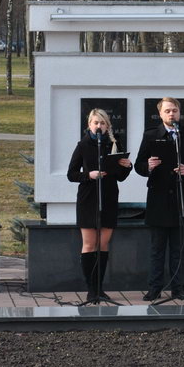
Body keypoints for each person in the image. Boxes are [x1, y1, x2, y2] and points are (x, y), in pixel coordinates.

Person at [134, 97, 184, 302]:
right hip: (158, 197)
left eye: (174, 110)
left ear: (179, 113)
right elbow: (139, 165)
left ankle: (178, 288)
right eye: (167, 111)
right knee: (157, 248)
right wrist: (148, 166)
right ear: (160, 114)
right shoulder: (151, 135)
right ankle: (154, 288)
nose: (171, 114)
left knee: (178, 248)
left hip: (181, 196)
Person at [66, 108, 132, 303]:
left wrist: (127, 166)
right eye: (96, 122)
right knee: (89, 244)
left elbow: (120, 176)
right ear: (89, 125)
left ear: (107, 126)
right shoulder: (83, 145)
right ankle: (91, 290)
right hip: (88, 198)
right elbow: (71, 174)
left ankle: (100, 288)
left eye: (102, 123)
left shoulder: (114, 144)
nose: (99, 126)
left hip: (109, 196)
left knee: (103, 244)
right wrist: (89, 175)